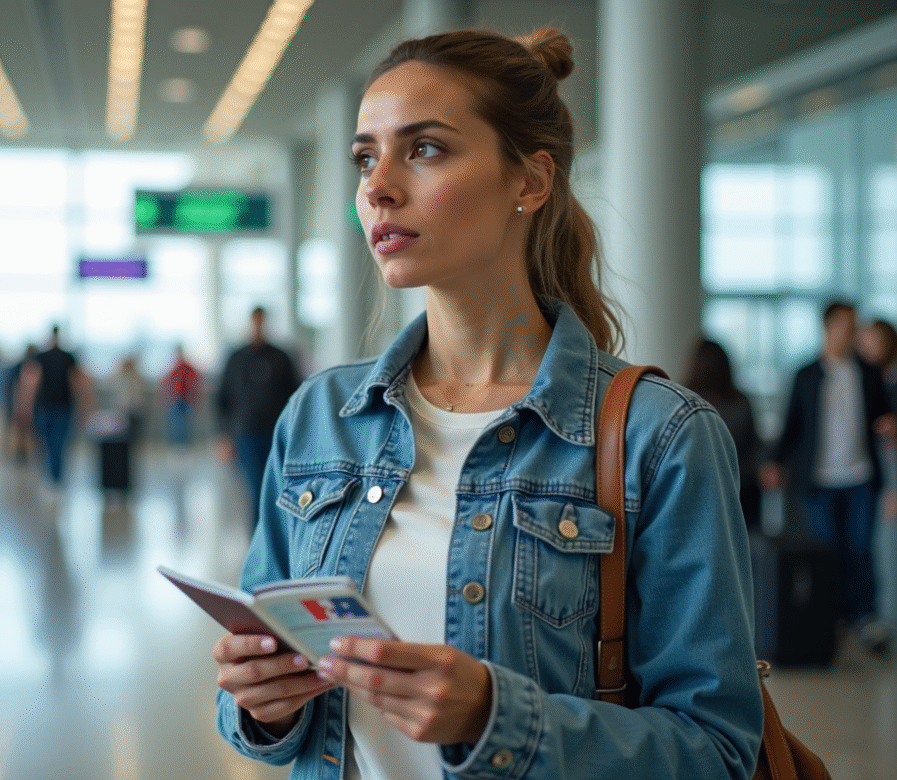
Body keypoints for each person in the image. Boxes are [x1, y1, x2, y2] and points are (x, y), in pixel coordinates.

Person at [213, 28, 762, 780]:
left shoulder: (659, 435)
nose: (378, 186)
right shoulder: (322, 416)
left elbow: (719, 751)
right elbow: (261, 700)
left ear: (530, 181)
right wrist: (261, 704)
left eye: (424, 149)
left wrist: (498, 720)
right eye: (366, 157)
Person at [761, 301, 896, 654]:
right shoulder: (806, 375)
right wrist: (775, 462)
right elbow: (792, 424)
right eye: (847, 327)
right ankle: (831, 617)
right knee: (828, 551)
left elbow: (885, 413)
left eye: (855, 327)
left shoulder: (869, 373)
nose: (853, 334)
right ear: (828, 327)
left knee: (860, 549)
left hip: (861, 478)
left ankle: (864, 617)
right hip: (819, 481)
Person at [216, 307, 300, 526]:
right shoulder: (237, 358)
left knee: (277, 485)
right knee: (257, 486)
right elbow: (223, 399)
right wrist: (223, 436)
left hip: (276, 433)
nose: (258, 328)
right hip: (247, 433)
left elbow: (295, 395)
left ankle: (278, 533)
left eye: (262, 323)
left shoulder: (280, 357)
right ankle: (258, 534)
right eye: (255, 323)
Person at [683, 337, 763, 530]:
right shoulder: (740, 401)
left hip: (699, 488)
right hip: (742, 485)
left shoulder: (683, 402)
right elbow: (753, 444)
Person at [858, 317, 897, 637]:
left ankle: (888, 618)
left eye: (870, 340)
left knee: (887, 547)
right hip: (883, 476)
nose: (864, 347)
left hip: (892, 479)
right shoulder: (876, 378)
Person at [18, 325, 93, 487]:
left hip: (62, 407)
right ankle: (53, 478)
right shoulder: (44, 357)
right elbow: (31, 383)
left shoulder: (67, 357)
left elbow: (78, 383)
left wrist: (84, 407)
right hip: (46, 407)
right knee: (47, 444)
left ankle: (55, 479)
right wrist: (26, 406)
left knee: (57, 444)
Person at [161, 345, 201, 446]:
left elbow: (196, 380)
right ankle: (176, 444)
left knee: (185, 422)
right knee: (175, 422)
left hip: (185, 399)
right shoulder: (174, 368)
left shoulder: (187, 367)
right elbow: (167, 383)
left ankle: (184, 444)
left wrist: (194, 395)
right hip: (175, 399)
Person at [109, 354, 149, 442]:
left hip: (136, 409)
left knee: (136, 434)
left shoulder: (137, 377)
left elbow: (140, 394)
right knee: (123, 434)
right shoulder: (119, 377)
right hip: (123, 409)